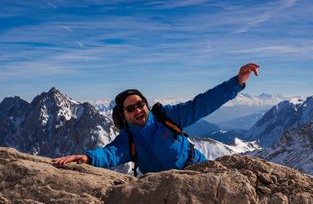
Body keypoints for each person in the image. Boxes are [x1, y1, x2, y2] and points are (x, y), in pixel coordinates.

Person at [52, 63, 259, 174]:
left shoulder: (167, 116)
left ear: (147, 104)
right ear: (123, 115)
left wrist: (237, 82)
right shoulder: (128, 139)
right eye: (130, 108)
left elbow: (203, 104)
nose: (138, 110)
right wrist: (87, 158)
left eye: (140, 104)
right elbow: (110, 154)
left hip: (197, 169)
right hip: (163, 185)